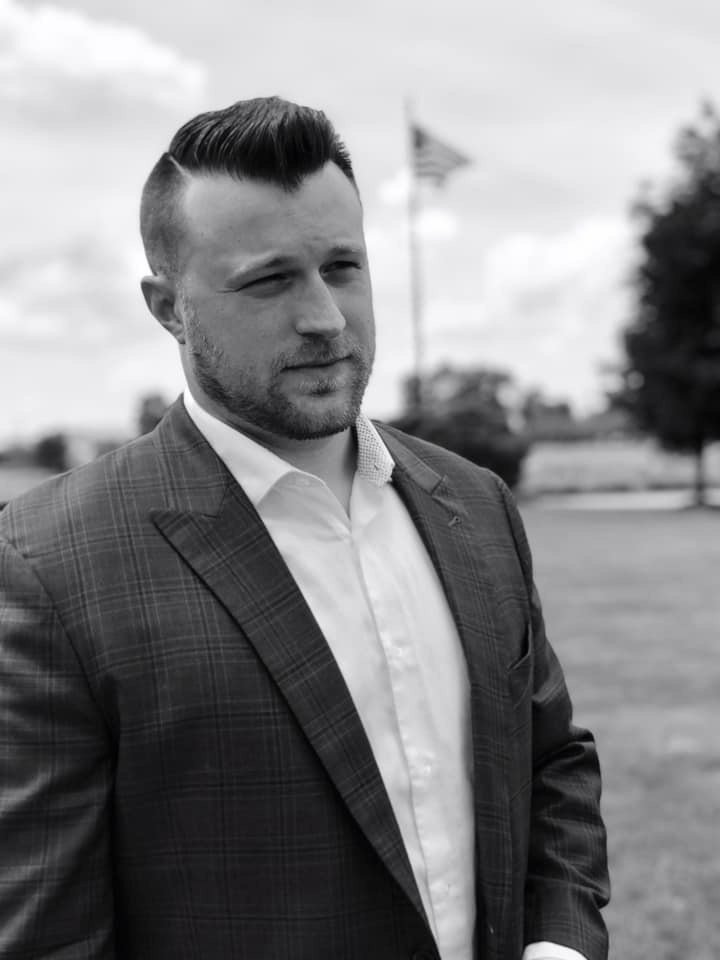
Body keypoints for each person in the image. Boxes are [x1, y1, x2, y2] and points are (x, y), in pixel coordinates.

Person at [0, 97, 609, 960]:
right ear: (168, 307)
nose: (324, 316)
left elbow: (550, 763)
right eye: (269, 280)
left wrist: (559, 946)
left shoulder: (474, 505)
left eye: (342, 266)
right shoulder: (46, 565)